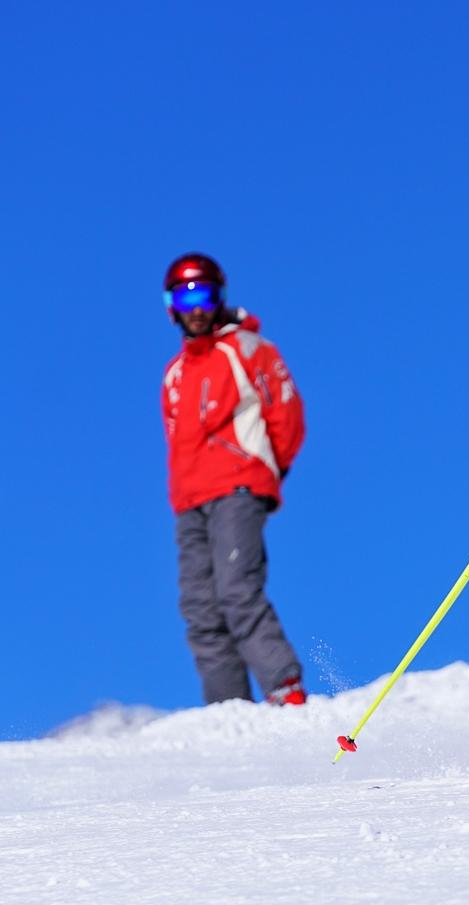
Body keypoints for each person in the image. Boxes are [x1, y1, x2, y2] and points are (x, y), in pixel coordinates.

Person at [161, 253, 307, 706]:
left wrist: (267, 470)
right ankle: (228, 713)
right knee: (200, 609)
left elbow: (287, 415)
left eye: (204, 296)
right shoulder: (174, 375)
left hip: (238, 488)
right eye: (185, 299)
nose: (196, 309)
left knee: (237, 589)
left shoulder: (247, 348)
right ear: (171, 307)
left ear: (220, 298)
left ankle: (285, 689)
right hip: (190, 500)